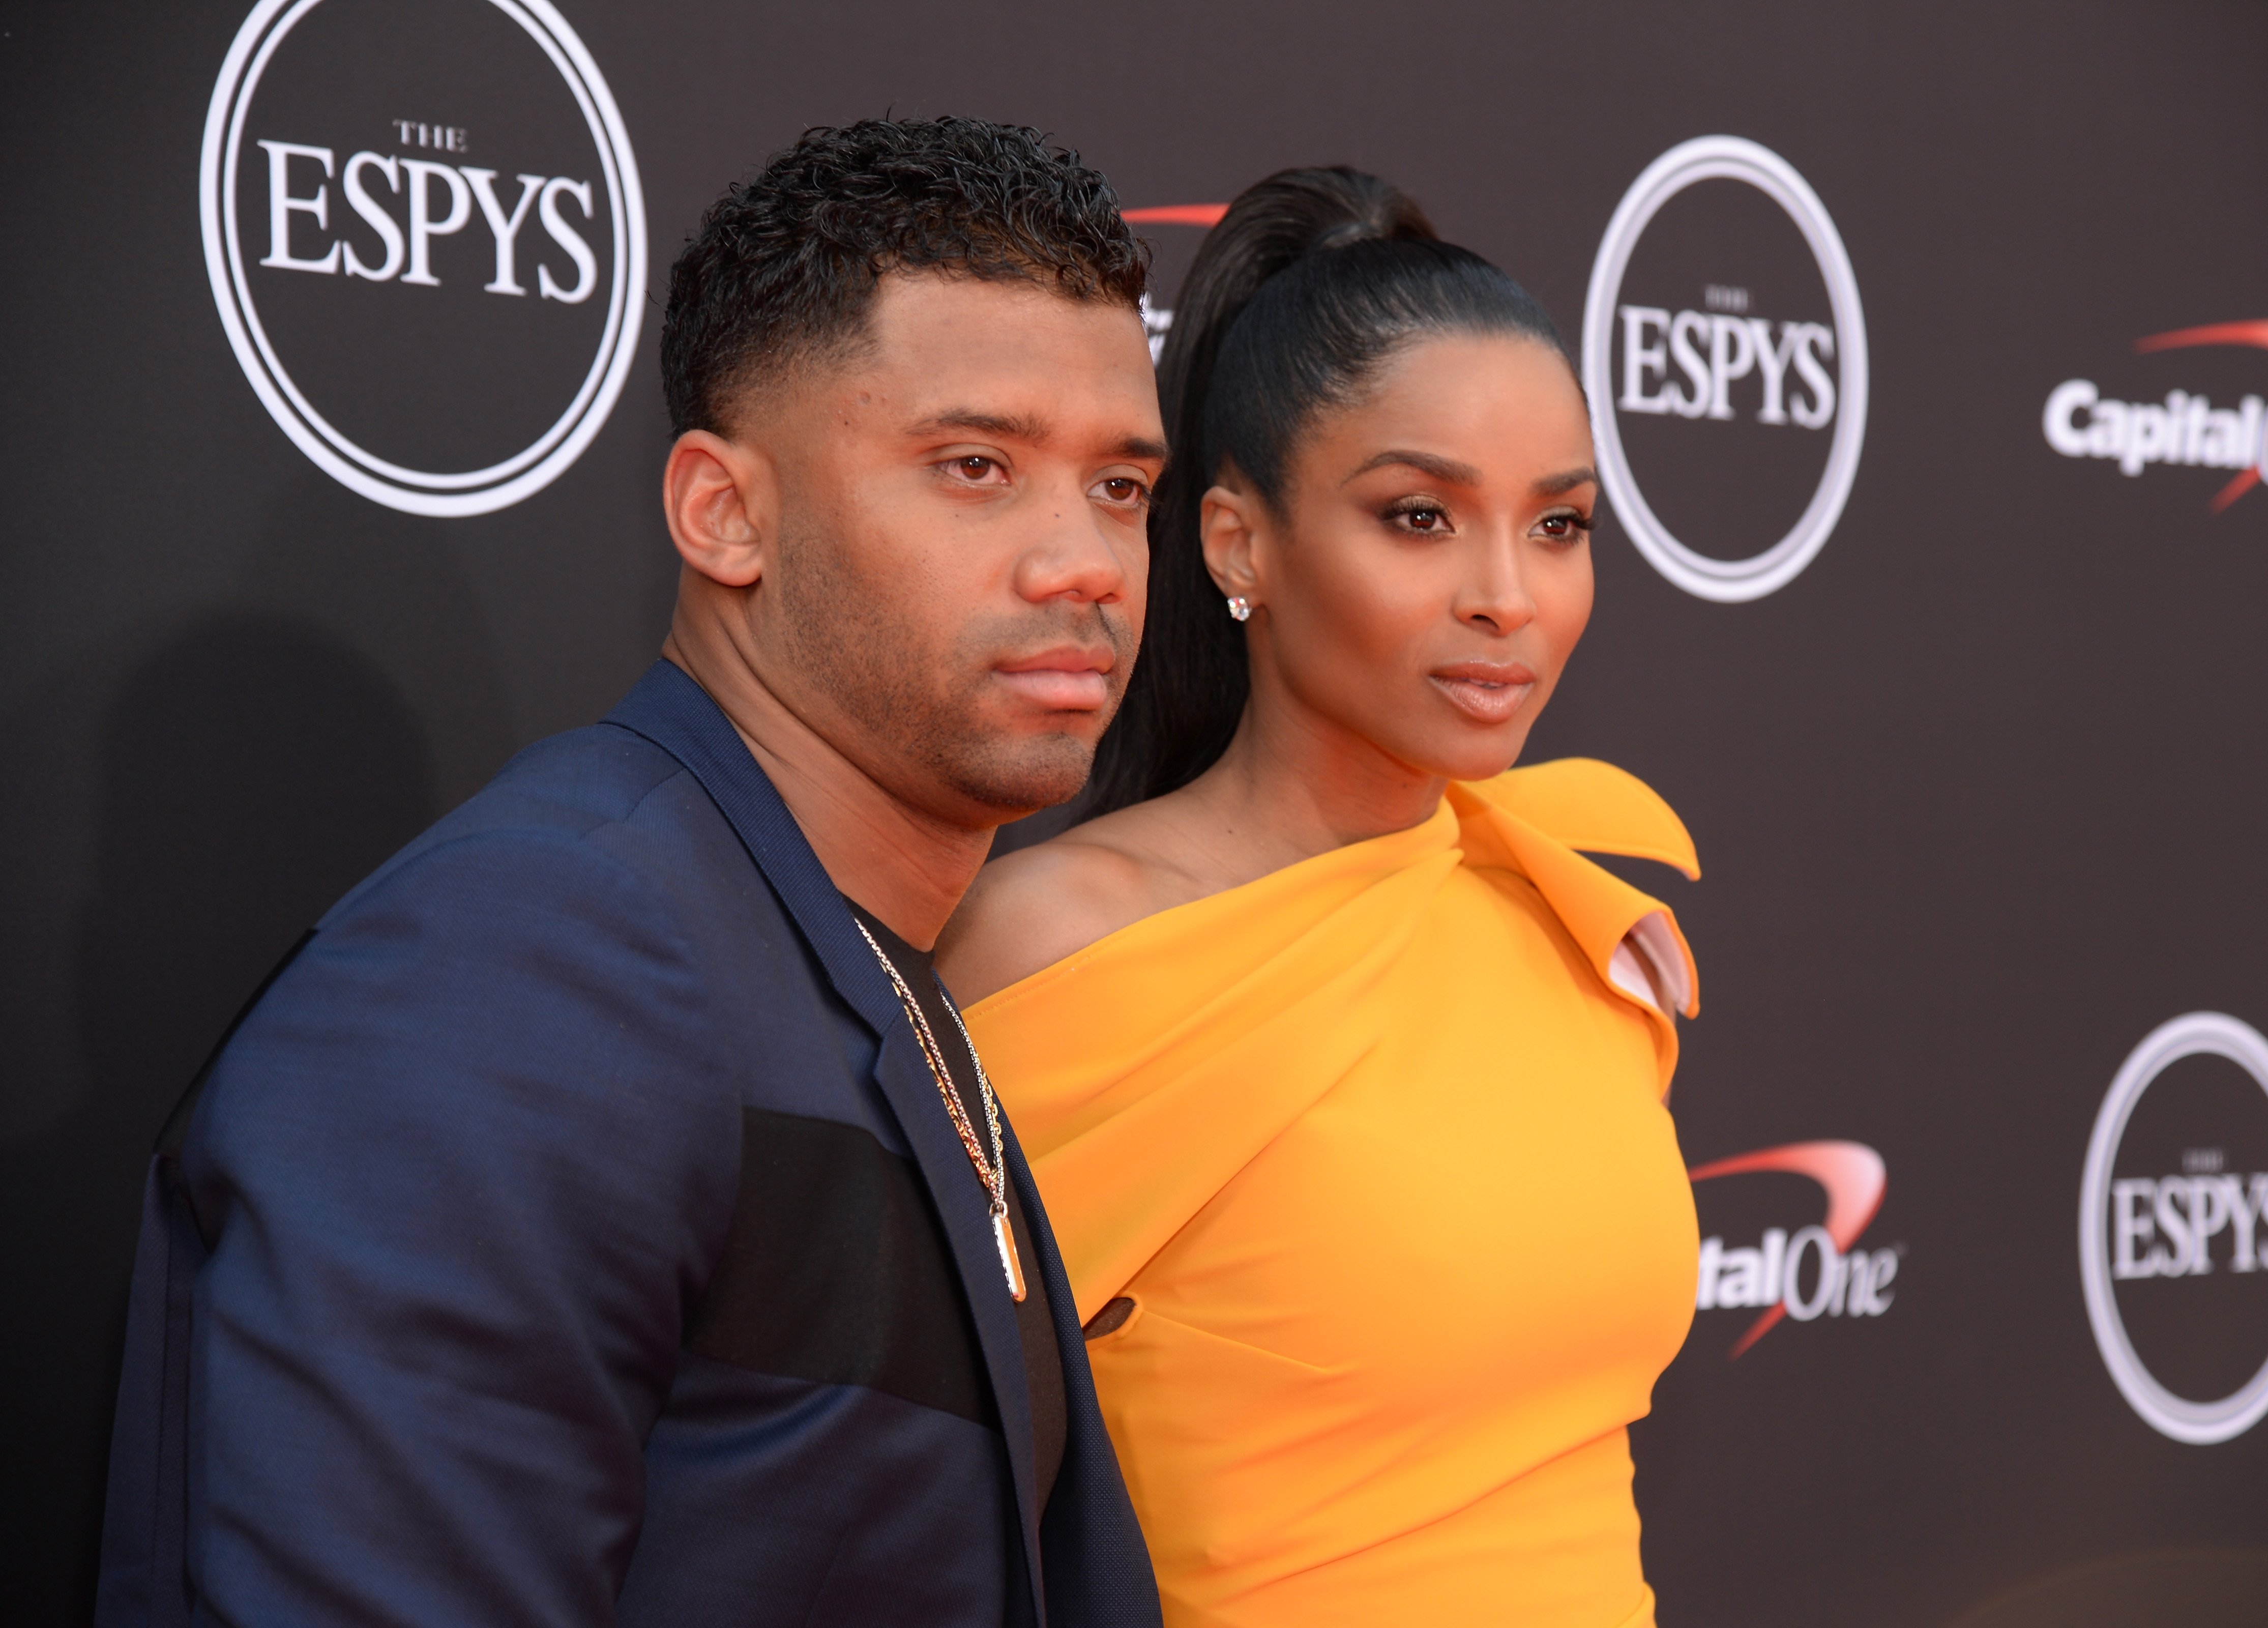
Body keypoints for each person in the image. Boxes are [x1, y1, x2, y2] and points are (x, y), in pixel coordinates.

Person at [96, 118, 1165, 1628]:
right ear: (721, 513)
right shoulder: (531, 955)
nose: (1085, 563)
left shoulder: (849, 957)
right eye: (975, 466)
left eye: (1121, 487)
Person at [937, 167, 1703, 1627]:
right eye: (1418, 518)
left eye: (1558, 526)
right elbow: (900, 1478)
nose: (1507, 598)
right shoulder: (1061, 945)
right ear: (1238, 542)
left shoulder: (1572, 923)